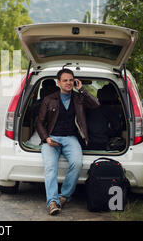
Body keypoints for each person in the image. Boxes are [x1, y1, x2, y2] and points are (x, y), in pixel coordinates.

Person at [36, 68, 100, 215]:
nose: (68, 83)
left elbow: (96, 104)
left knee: (77, 163)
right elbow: (39, 122)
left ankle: (64, 196)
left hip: (70, 138)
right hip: (51, 138)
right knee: (50, 167)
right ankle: (52, 202)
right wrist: (46, 138)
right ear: (58, 83)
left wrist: (82, 89)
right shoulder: (49, 99)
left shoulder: (79, 98)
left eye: (71, 80)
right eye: (65, 80)